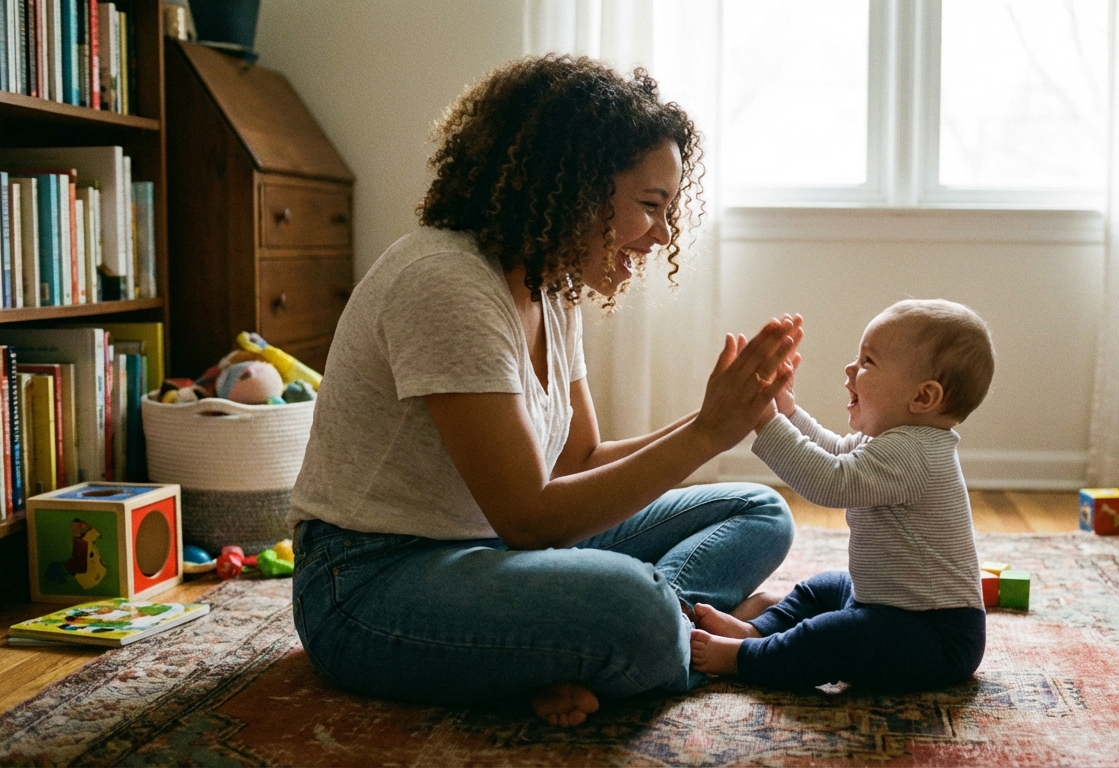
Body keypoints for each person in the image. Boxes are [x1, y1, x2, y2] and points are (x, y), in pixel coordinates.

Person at [287, 55, 802, 727]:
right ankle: (643, 634)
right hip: (368, 583)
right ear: (574, 184)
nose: (662, 236)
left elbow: (578, 463)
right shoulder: (446, 281)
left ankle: (590, 644)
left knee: (759, 511)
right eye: (651, 206)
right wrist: (708, 434)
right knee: (630, 605)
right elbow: (529, 517)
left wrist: (717, 421)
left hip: (494, 557)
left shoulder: (549, 285)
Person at [689, 299, 994, 693]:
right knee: (826, 587)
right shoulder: (893, 441)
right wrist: (785, 411)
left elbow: (831, 479)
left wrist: (764, 421)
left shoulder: (915, 452)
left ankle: (745, 658)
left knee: (835, 635)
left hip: (936, 637)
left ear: (922, 398)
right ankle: (756, 629)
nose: (851, 368)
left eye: (868, 361)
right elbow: (834, 452)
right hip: (889, 610)